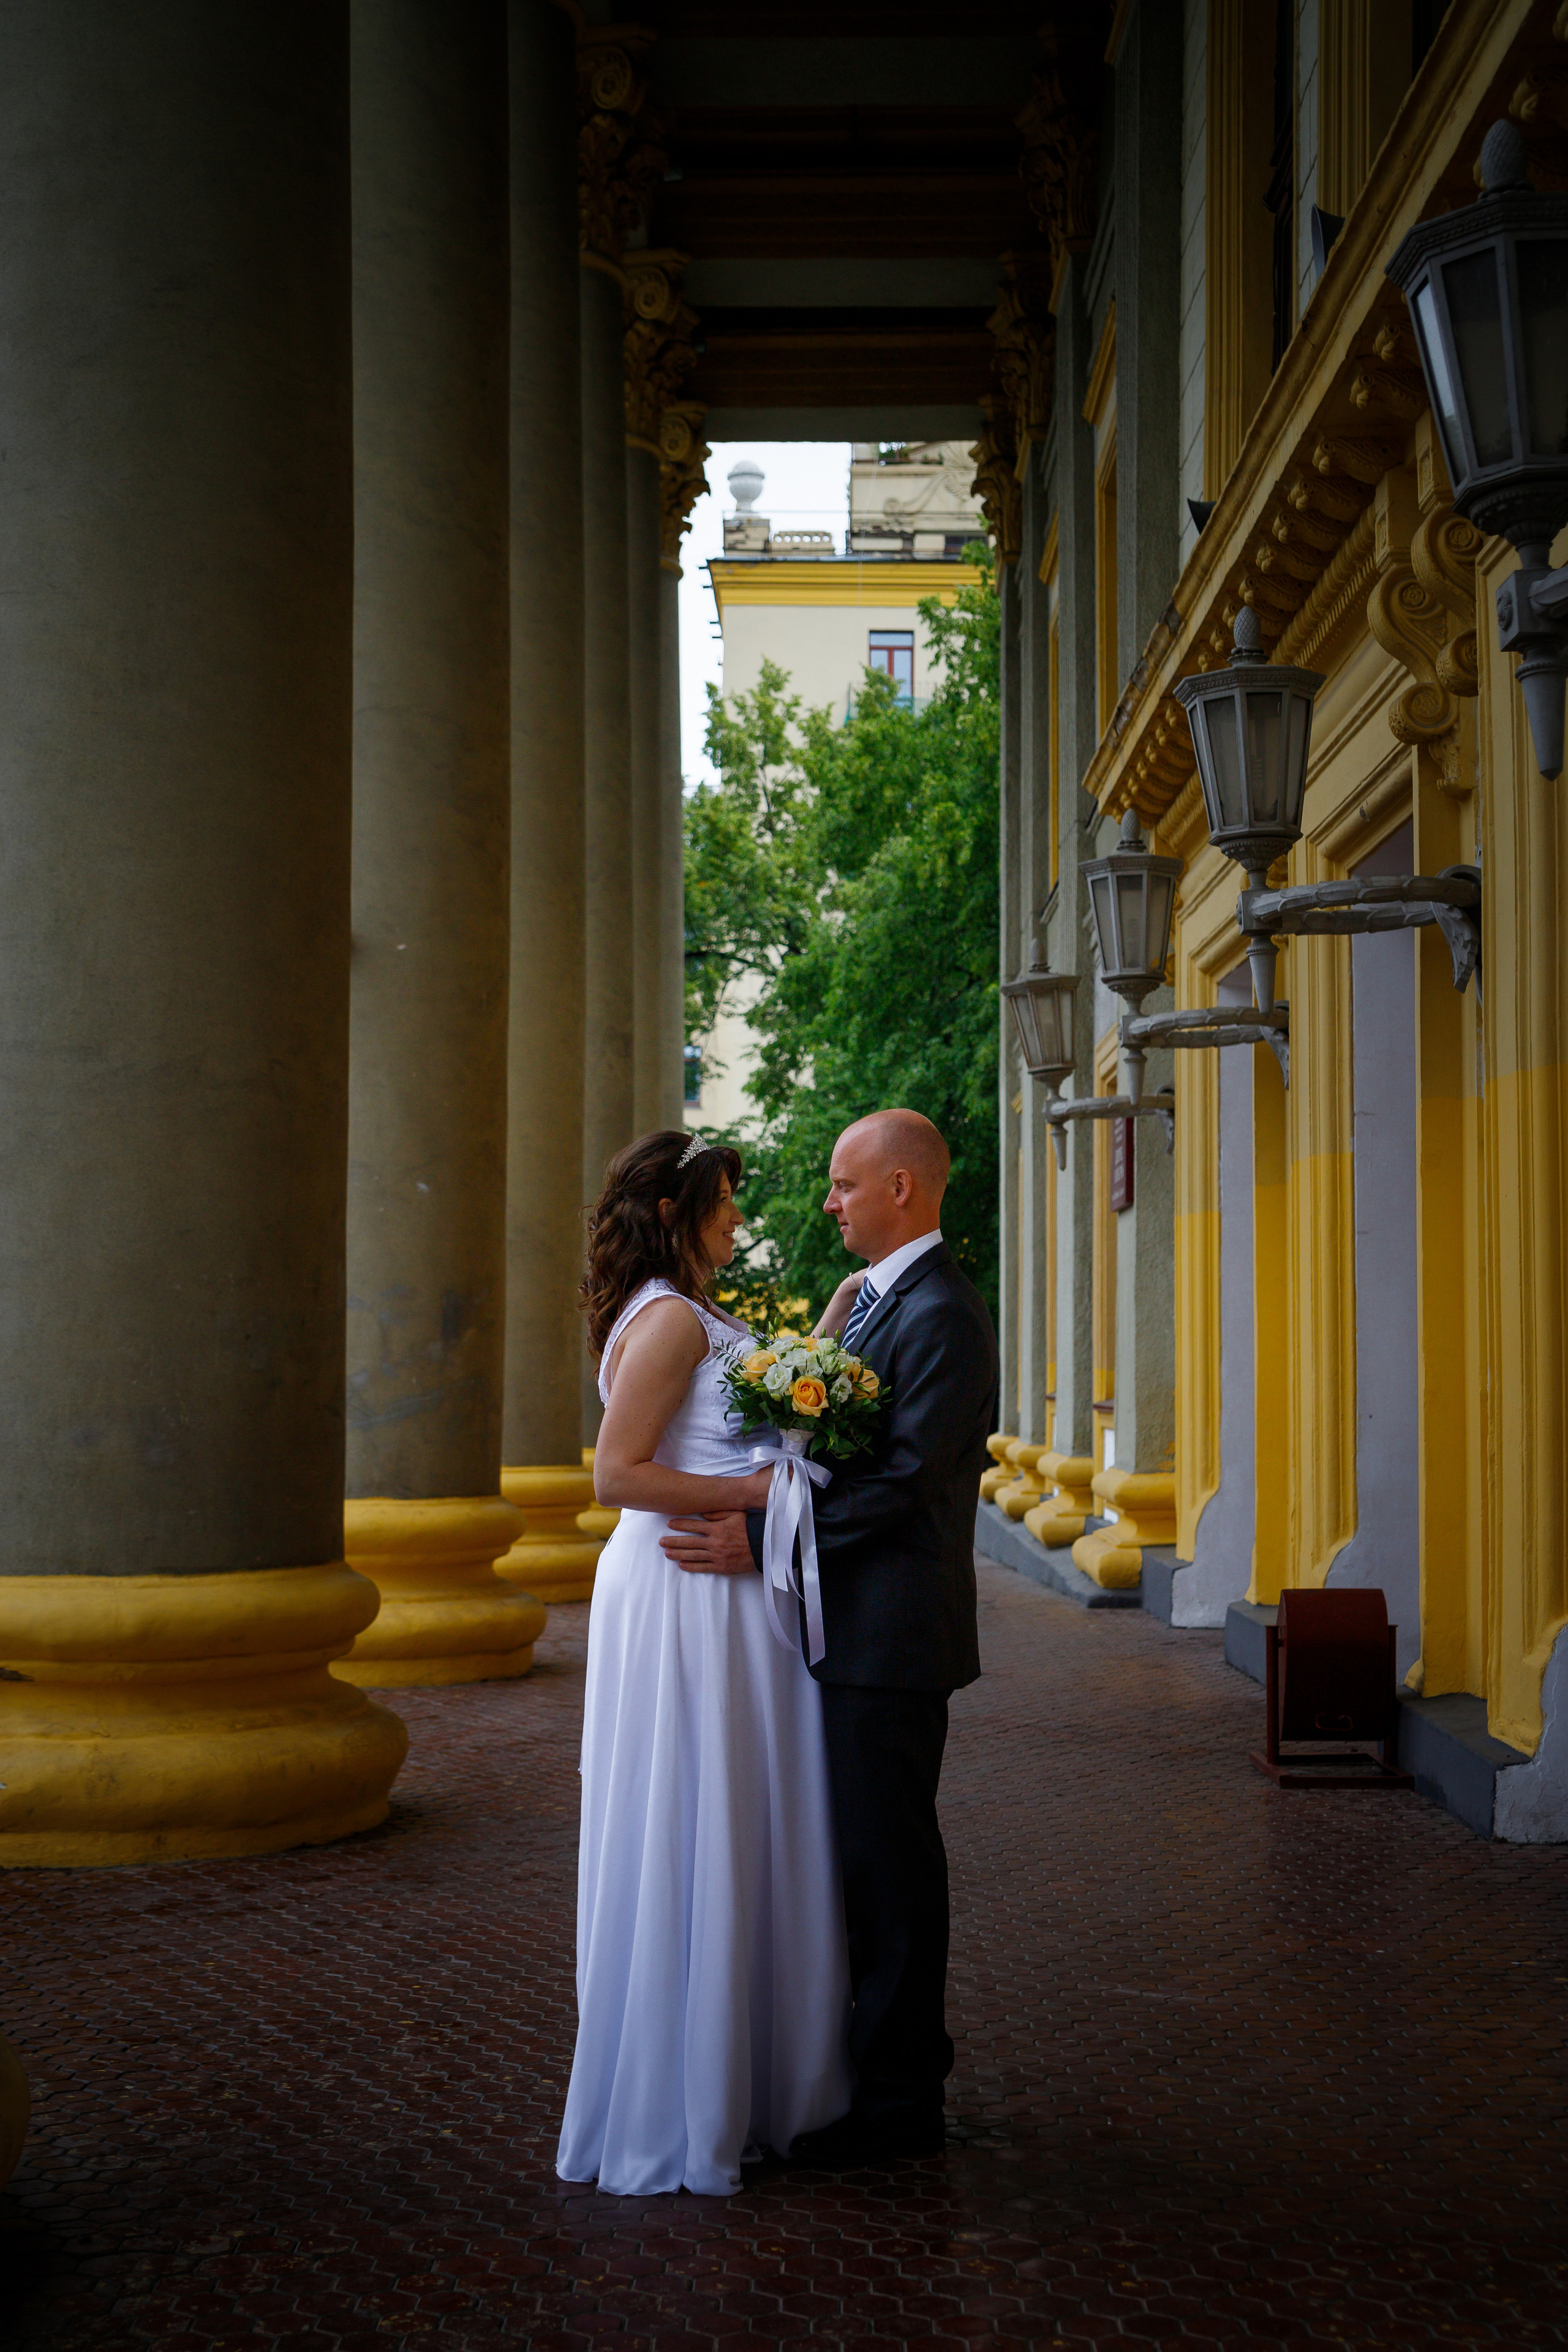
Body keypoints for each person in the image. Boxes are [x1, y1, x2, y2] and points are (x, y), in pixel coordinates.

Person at [660, 1109, 998, 2166]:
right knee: (855, 1860)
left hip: (891, 1640)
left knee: (889, 1867)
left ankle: (900, 2105)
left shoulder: (940, 1313)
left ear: (901, 1189)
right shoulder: (878, 1304)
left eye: (845, 1185)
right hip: (847, 1628)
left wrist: (757, 1535)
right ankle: (863, 2073)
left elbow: (902, 1484)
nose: (829, 1202)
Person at [555, 1131, 852, 2198]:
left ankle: (746, 2076)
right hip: (685, 1591)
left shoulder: (694, 1314)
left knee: (735, 1814)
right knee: (696, 1814)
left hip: (722, 1598)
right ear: (676, 1215)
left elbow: (742, 1415)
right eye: (723, 1204)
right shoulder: (671, 1318)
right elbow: (618, 1473)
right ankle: (693, 2097)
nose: (738, 1219)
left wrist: (830, 1333)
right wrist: (762, 1499)